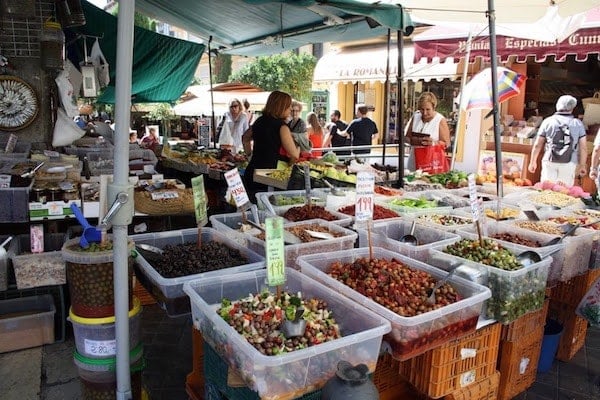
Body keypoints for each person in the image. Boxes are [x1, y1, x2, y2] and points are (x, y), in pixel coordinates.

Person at [242, 90, 300, 202]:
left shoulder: (259, 121)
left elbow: (245, 138)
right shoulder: (282, 127)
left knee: (253, 209)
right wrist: (298, 147)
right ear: (281, 107)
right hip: (270, 178)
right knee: (267, 211)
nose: (290, 110)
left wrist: (249, 155)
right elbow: (294, 154)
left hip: (252, 171)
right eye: (288, 107)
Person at [528, 95, 587, 186]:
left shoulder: (548, 121)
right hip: (569, 163)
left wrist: (532, 162)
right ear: (572, 108)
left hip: (550, 160)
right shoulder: (577, 124)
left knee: (547, 190)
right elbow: (583, 147)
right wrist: (582, 165)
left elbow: (537, 144)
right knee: (564, 192)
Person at [405, 92, 451, 170]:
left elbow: (447, 143)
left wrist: (433, 143)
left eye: (428, 109)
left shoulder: (440, 120)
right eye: (422, 109)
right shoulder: (416, 116)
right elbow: (407, 137)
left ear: (434, 107)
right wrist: (413, 140)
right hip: (415, 159)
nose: (425, 113)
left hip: (431, 162)